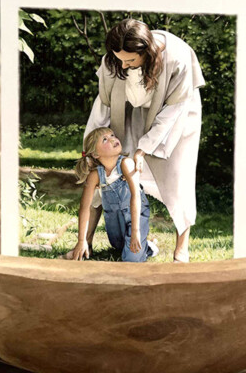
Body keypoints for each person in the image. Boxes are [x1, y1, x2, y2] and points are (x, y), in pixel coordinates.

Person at [80, 18, 205, 263]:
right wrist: (92, 142)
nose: (123, 65)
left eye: (130, 60)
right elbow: (103, 105)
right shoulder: (113, 62)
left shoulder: (176, 58)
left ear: (146, 52)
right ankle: (86, 240)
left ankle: (182, 247)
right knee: (104, 167)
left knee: (177, 175)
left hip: (175, 113)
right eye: (119, 59)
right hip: (127, 108)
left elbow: (172, 111)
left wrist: (144, 148)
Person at [72, 127, 157, 262]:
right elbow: (85, 207)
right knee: (117, 245)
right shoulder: (95, 175)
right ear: (95, 154)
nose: (113, 139)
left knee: (132, 259)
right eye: (105, 139)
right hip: (114, 217)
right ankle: (142, 245)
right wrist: (81, 240)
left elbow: (135, 196)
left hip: (135, 214)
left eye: (112, 135)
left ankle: (147, 248)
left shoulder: (126, 163)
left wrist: (135, 231)